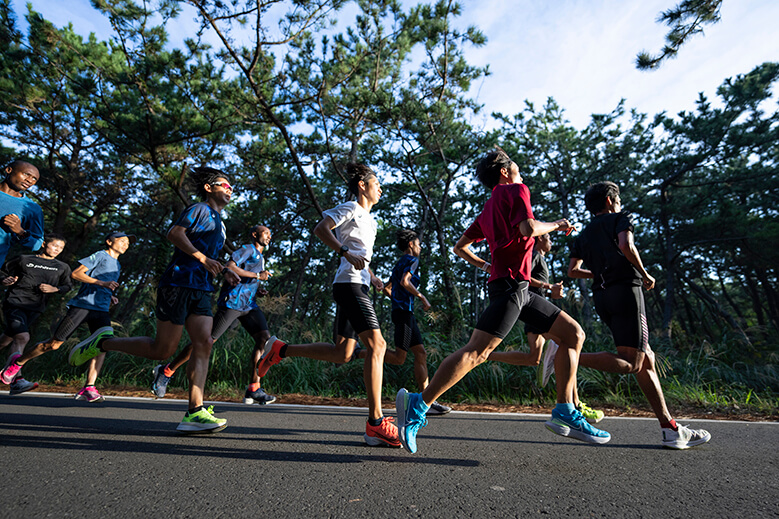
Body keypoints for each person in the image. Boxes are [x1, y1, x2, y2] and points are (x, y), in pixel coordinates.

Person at [395, 148, 611, 454]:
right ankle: (418, 404)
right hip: (511, 289)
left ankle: (565, 410)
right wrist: (558, 224)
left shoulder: (488, 209)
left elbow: (460, 247)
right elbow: (529, 228)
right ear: (504, 172)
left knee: (573, 334)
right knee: (477, 353)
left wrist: (487, 265)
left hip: (515, 287)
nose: (520, 171)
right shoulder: (516, 190)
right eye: (516, 167)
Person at [68, 167, 240, 433]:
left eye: (232, 188)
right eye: (225, 186)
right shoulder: (199, 209)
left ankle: (195, 411)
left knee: (204, 343)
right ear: (208, 188)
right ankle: (104, 343)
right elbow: (174, 234)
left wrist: (225, 270)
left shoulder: (221, 223)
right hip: (177, 283)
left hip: (202, 289)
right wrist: (202, 258)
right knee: (163, 350)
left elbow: (210, 255)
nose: (230, 191)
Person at [256, 163, 400, 448]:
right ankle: (375, 423)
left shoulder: (370, 220)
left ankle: (280, 349)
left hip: (357, 283)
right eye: (377, 183)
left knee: (343, 353)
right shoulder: (351, 208)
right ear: (362, 185)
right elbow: (321, 228)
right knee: (378, 345)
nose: (381, 188)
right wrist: (343, 251)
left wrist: (373, 277)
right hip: (348, 285)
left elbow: (360, 254)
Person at [566, 181, 711, 449]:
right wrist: (644, 274)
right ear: (610, 200)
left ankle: (670, 428)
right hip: (626, 293)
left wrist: (599, 273)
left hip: (602, 297)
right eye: (617, 198)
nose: (619, 203)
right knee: (632, 362)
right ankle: (565, 355)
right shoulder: (621, 218)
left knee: (647, 359)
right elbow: (626, 246)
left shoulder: (583, 234)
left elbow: (573, 271)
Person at [150, 224, 276, 406]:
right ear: (255, 234)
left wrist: (257, 289)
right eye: (266, 233)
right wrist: (257, 276)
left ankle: (254, 389)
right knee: (206, 341)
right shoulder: (247, 249)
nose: (269, 237)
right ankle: (167, 370)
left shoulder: (260, 256)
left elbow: (245, 278)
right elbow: (230, 266)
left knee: (264, 339)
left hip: (249, 305)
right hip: (232, 303)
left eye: (270, 234)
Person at [1, 231, 133, 402]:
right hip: (82, 306)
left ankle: (89, 387)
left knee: (102, 345)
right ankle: (17, 363)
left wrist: (109, 294)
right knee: (53, 345)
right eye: (122, 241)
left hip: (100, 309)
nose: (125, 244)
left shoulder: (117, 264)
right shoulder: (100, 255)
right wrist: (102, 283)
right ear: (109, 241)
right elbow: (77, 274)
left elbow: (102, 285)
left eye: (128, 243)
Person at [487, 233, 605, 423]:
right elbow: (522, 276)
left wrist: (551, 292)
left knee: (534, 358)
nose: (551, 241)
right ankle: (575, 404)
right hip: (534, 311)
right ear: (539, 239)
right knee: (569, 345)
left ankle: (488, 355)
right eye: (548, 238)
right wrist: (549, 286)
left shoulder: (539, 257)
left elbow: (533, 286)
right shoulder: (534, 255)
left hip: (535, 310)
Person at [360, 228, 450, 415]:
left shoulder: (399, 262)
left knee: (421, 353)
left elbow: (387, 289)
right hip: (404, 314)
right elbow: (404, 282)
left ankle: (426, 399)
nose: (420, 247)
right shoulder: (412, 260)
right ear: (411, 245)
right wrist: (421, 297)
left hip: (403, 313)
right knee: (399, 358)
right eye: (418, 244)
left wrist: (397, 300)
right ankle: (361, 352)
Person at [0, 234, 72, 394]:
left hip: (36, 308)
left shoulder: (62, 267)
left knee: (7, 339)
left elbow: (67, 286)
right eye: (54, 246)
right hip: (15, 302)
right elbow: (2, 271)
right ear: (44, 244)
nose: (57, 250)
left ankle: (15, 380)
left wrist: (55, 289)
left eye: (60, 248)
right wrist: (5, 280)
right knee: (22, 337)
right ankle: (16, 380)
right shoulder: (24, 259)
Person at [0, 160, 44, 265]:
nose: (30, 180)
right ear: (9, 170)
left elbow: (37, 244)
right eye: (26, 174)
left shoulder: (32, 208)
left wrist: (20, 232)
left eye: (34, 179)